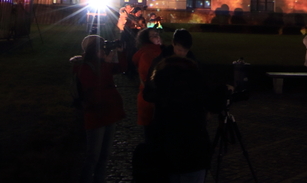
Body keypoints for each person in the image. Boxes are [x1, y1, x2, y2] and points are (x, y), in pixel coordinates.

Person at [143, 29, 216, 183]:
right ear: (173, 45)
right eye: (179, 49)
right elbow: (148, 92)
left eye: (185, 50)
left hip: (189, 123)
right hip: (168, 123)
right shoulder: (161, 62)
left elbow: (203, 91)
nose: (182, 53)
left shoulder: (192, 63)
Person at [73, 35, 126, 183]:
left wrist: (120, 53)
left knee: (105, 156)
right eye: (101, 48)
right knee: (93, 157)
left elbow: (122, 68)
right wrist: (105, 63)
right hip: (95, 115)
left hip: (109, 113)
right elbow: (94, 89)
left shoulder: (102, 63)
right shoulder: (83, 66)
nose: (104, 51)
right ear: (93, 50)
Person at [132, 27, 165, 141]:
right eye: (154, 36)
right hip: (153, 100)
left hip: (150, 99)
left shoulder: (158, 51)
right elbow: (150, 78)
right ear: (147, 40)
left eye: (158, 35)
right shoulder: (149, 54)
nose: (158, 37)